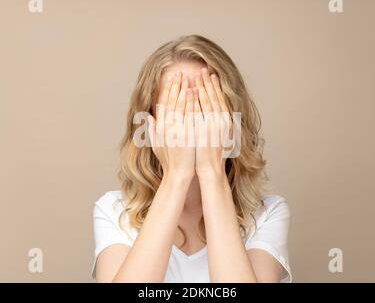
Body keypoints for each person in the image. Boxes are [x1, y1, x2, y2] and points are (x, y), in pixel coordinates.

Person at [92, 35, 292, 283]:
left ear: (231, 122)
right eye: (175, 110)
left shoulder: (267, 214)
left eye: (205, 107)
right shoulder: (114, 211)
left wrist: (212, 174)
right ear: (149, 125)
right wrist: (176, 177)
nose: (192, 124)